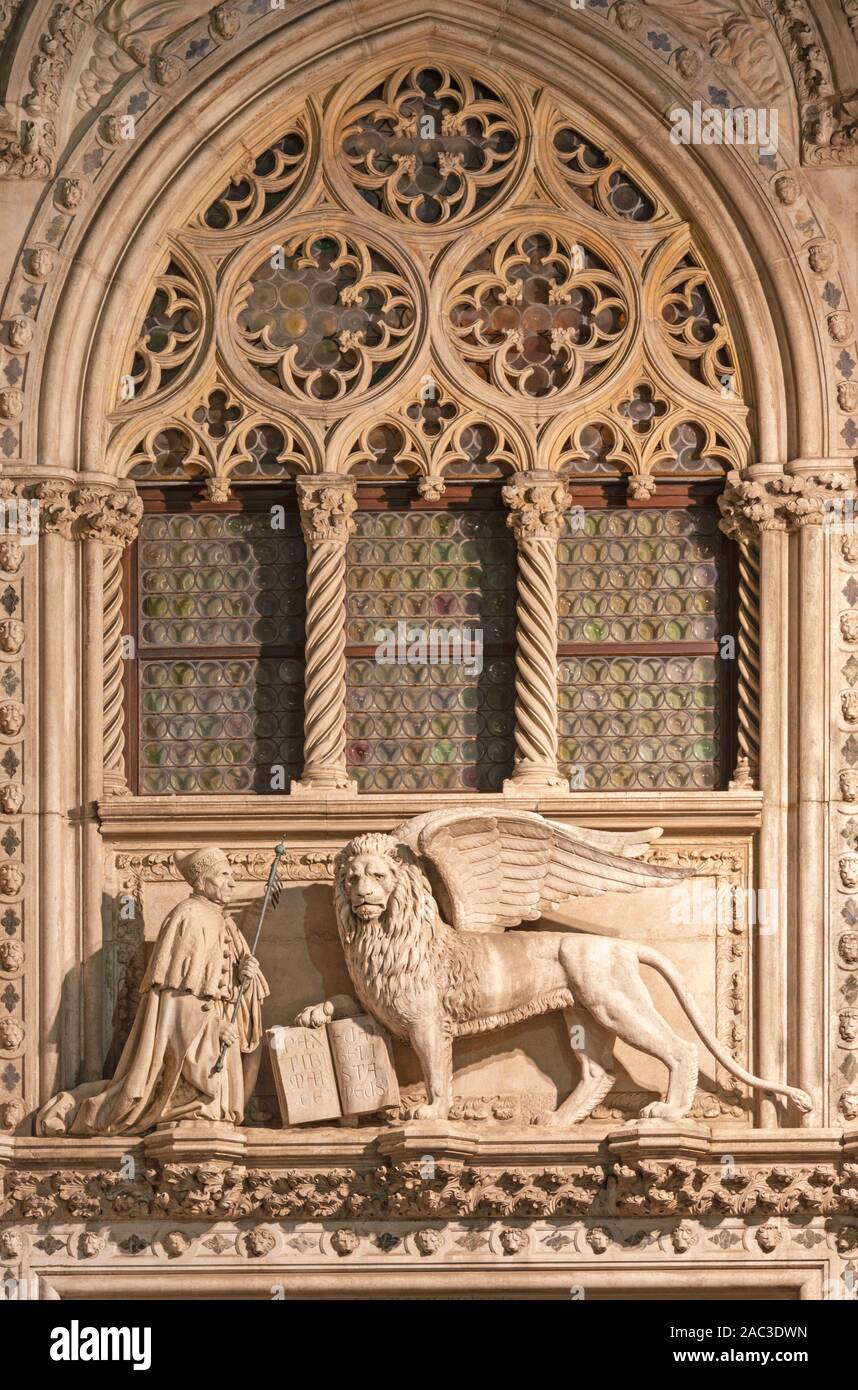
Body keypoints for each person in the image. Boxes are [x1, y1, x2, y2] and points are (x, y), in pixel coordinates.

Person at [37, 847, 268, 1136]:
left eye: (232, 875)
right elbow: (174, 998)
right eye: (224, 874)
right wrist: (213, 1029)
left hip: (220, 1034)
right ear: (201, 880)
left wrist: (245, 977)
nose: (232, 882)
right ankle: (76, 1108)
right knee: (146, 1101)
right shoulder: (189, 917)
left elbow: (239, 994)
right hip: (200, 1035)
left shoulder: (226, 923)